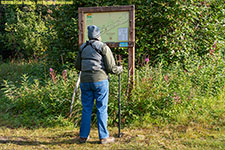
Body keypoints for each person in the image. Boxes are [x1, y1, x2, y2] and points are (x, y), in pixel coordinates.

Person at [75, 25, 123, 144]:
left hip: (85, 81)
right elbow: (111, 68)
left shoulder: (82, 48)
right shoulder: (103, 47)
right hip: (100, 81)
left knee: (86, 108)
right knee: (101, 108)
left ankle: (83, 136)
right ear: (98, 35)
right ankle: (103, 137)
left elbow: (77, 66)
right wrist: (119, 69)